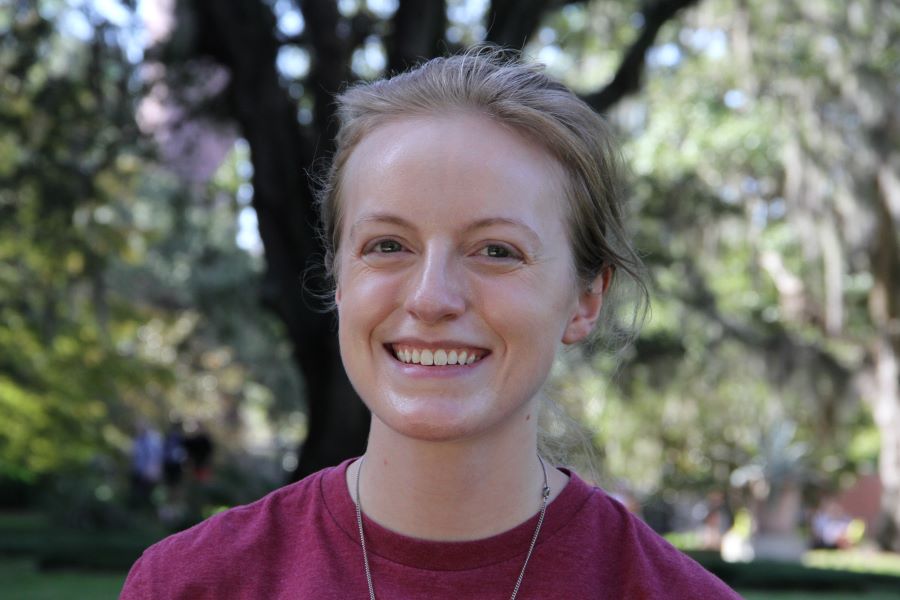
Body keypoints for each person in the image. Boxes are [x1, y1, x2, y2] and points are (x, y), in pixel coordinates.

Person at [121, 47, 740, 599]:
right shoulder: (189, 584)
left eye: (497, 250)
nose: (432, 297)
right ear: (340, 280)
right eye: (388, 245)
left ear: (584, 300)